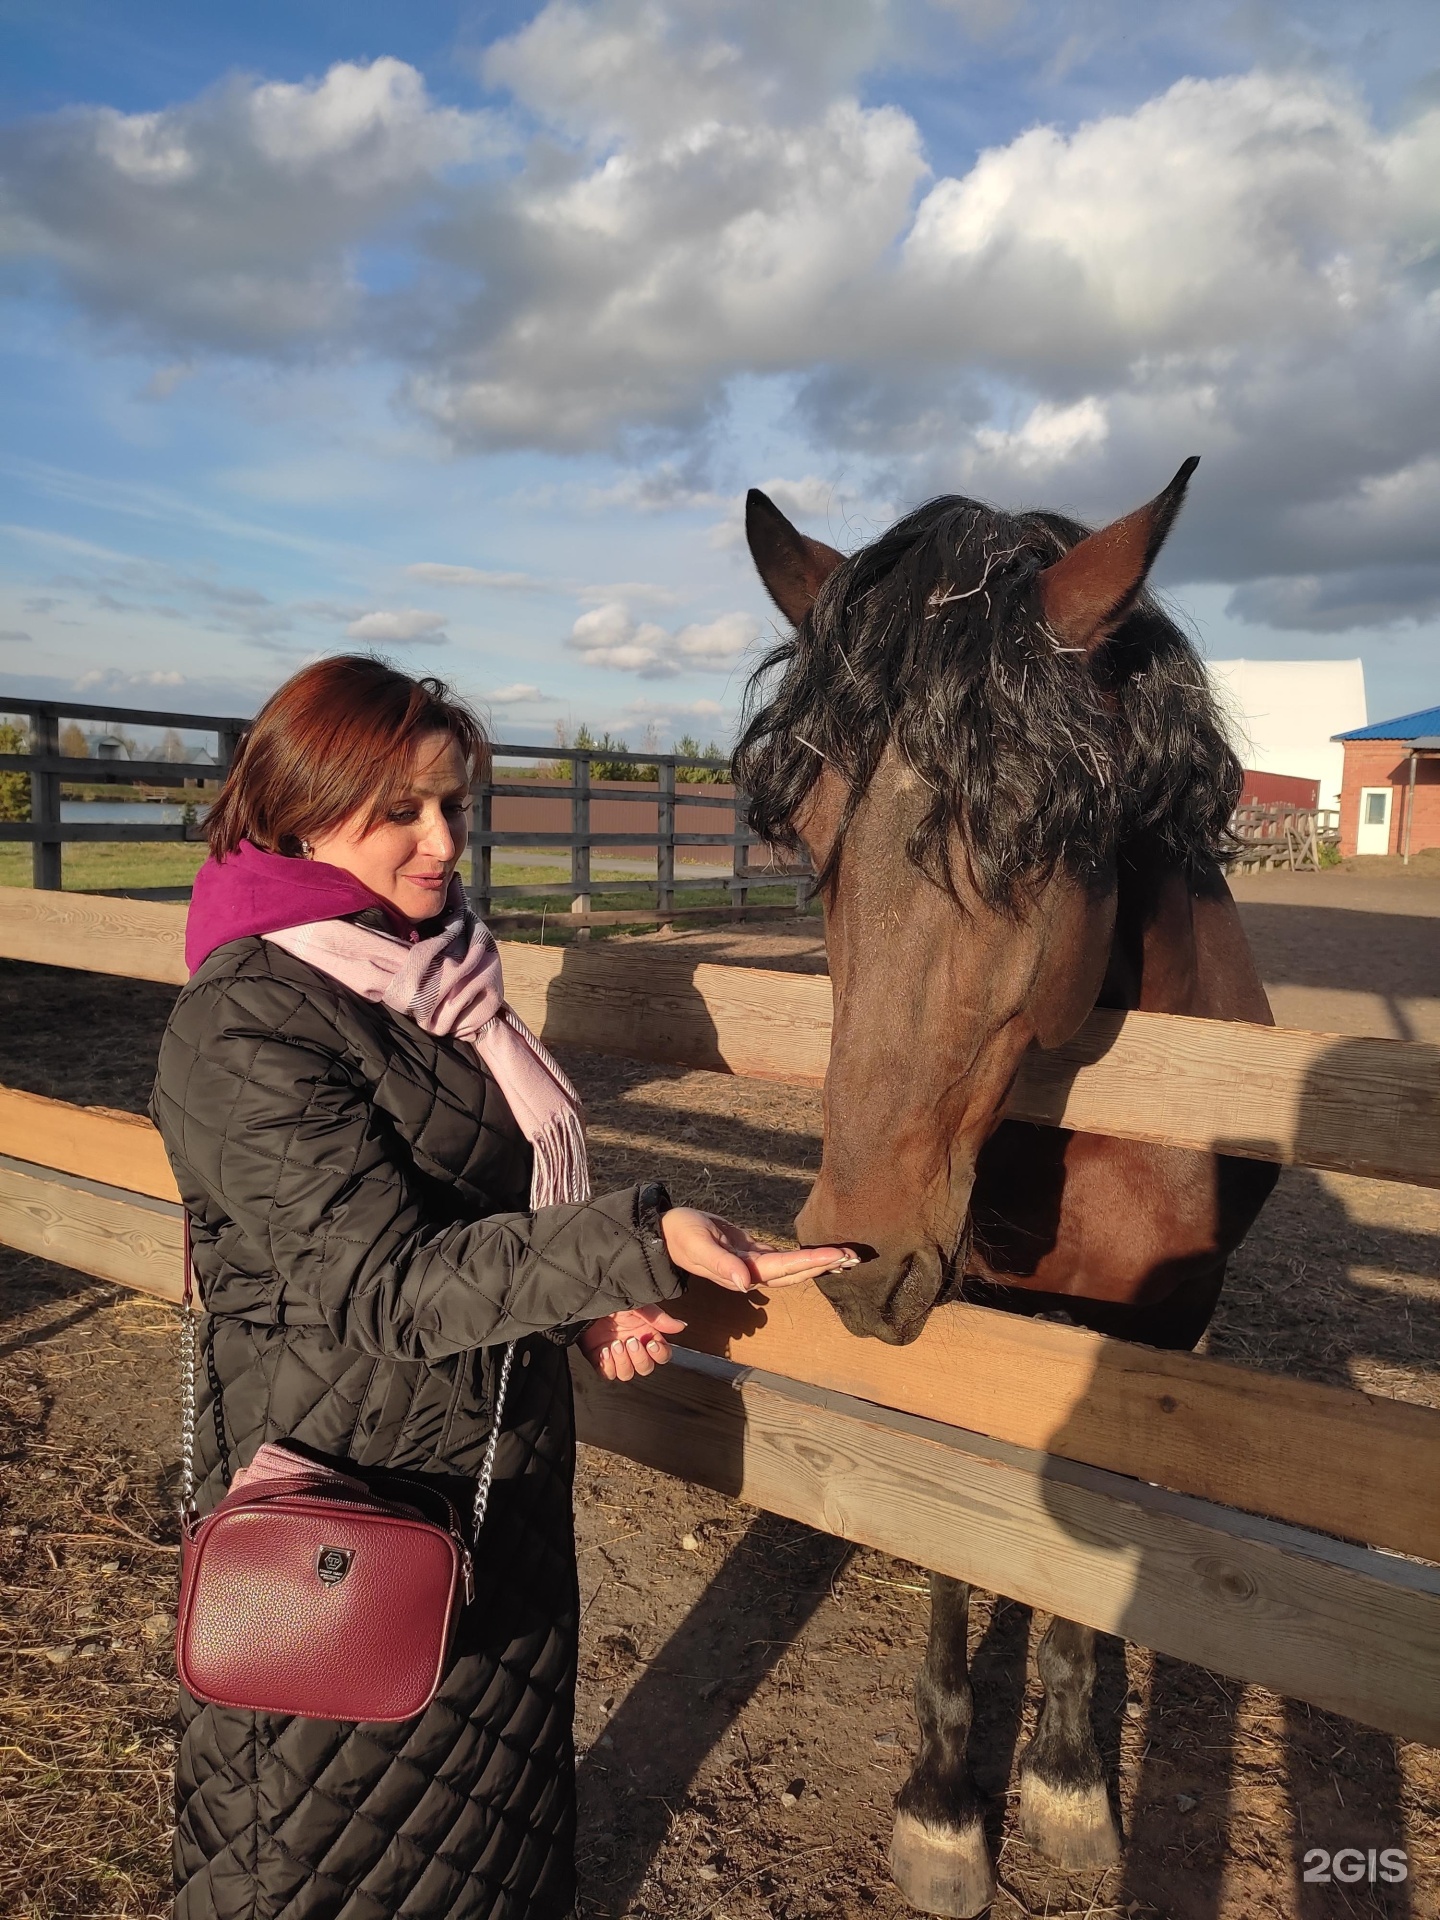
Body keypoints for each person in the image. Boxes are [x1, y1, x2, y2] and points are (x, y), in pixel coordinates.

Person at [151, 655, 852, 1920]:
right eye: (402, 811)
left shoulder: (435, 975)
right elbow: (379, 1284)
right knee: (325, 1851)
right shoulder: (247, 1020)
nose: (443, 842)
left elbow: (471, 1214)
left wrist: (582, 1297)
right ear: (301, 807)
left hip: (493, 1472)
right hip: (341, 1488)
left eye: (455, 805)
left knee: (489, 1845)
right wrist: (639, 1241)